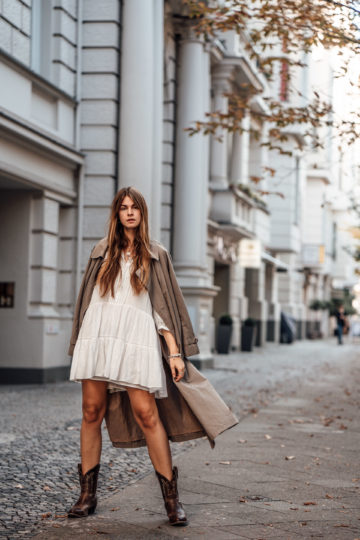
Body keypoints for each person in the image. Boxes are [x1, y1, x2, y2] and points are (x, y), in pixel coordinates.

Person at [67, 186, 238, 526]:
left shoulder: (155, 253)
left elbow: (164, 308)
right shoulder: (100, 252)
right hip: (99, 335)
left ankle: (172, 500)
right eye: (123, 208)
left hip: (136, 338)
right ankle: (88, 494)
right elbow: (88, 300)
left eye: (135, 208)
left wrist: (174, 352)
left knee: (147, 414)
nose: (129, 213)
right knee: (91, 411)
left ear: (143, 214)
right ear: (116, 214)